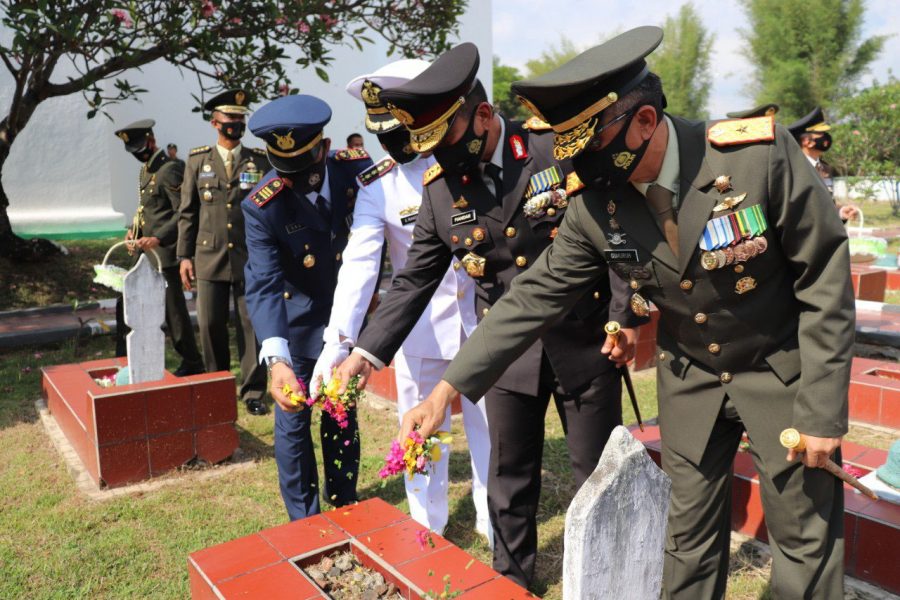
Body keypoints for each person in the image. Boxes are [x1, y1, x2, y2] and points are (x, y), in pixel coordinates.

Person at [399, 27, 855, 600]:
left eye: (592, 148)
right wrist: (447, 390)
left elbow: (825, 277)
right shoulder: (596, 204)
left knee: (803, 541)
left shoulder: (755, 159)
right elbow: (529, 298)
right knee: (685, 542)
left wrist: (821, 411)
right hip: (691, 381)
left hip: (781, 373)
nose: (583, 170)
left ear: (643, 121)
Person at [332, 42, 640, 588]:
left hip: (584, 339)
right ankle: (511, 582)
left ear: (481, 116)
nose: (438, 156)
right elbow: (412, 281)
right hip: (505, 351)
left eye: (444, 138)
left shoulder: (551, 149)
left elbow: (610, 232)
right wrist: (364, 352)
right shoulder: (441, 189)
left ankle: (604, 580)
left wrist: (624, 316)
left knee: (597, 476)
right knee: (507, 479)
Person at [311, 59, 492, 540]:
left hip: (483, 325)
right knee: (421, 436)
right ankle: (425, 527)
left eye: (398, 132)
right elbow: (360, 265)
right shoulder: (379, 186)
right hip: (420, 332)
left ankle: (495, 521)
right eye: (381, 135)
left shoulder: (465, 160)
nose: (391, 144)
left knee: (490, 433)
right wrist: (339, 341)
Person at [242, 94, 373, 520]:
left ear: (324, 147)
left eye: (305, 168)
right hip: (296, 326)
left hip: (346, 321)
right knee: (293, 422)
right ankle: (304, 519)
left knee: (340, 413)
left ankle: (344, 501)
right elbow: (262, 284)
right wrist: (276, 360)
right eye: (286, 171)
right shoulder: (263, 205)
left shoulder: (357, 171)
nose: (296, 181)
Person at [177, 90, 270, 416]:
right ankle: (216, 388)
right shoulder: (197, 161)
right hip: (208, 257)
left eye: (241, 118)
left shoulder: (259, 161)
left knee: (252, 327)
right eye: (231, 119)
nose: (237, 124)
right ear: (215, 122)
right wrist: (183, 257)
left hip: (249, 258)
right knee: (211, 324)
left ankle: (254, 391)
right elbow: (187, 213)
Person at [112, 119, 204, 376]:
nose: (139, 153)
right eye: (134, 150)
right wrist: (135, 230)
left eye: (141, 147)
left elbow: (183, 212)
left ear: (151, 141)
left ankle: (193, 361)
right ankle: (126, 359)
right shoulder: (146, 171)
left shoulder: (170, 169)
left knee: (173, 311)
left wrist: (159, 238)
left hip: (164, 254)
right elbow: (148, 209)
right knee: (125, 301)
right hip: (145, 253)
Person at [788, 106, 859, 223]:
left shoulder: (825, 168)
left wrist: (840, 212)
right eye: (821, 133)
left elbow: (825, 204)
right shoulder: (793, 169)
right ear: (807, 141)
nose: (826, 138)